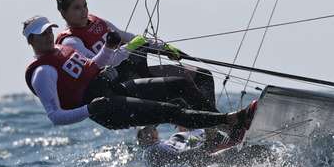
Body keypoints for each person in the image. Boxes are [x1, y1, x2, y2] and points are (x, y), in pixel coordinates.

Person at [23, 15, 251, 130]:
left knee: (177, 84)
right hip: (108, 109)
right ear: (31, 40)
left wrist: (109, 47)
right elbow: (54, 116)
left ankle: (222, 127)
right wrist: (90, 108)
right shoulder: (42, 72)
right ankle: (230, 120)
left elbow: (94, 66)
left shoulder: (63, 49)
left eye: (49, 31)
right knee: (170, 110)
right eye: (41, 34)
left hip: (114, 88)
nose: (47, 36)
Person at [51, 0, 216, 107]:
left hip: (138, 71)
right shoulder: (70, 42)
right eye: (77, 8)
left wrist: (165, 48)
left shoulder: (98, 22)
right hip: (121, 85)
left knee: (203, 76)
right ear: (64, 13)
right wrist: (130, 47)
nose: (84, 11)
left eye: (85, 5)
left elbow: (132, 38)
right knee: (181, 86)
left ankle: (214, 134)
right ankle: (219, 130)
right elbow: (97, 66)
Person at [136, 102, 262, 167]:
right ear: (140, 139)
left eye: (151, 129)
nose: (150, 133)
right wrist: (206, 145)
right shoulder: (152, 150)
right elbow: (180, 157)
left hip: (206, 154)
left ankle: (233, 131)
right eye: (145, 132)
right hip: (201, 160)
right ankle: (233, 130)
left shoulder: (177, 136)